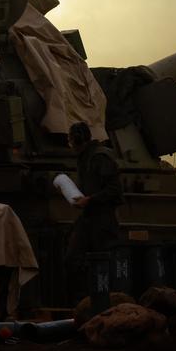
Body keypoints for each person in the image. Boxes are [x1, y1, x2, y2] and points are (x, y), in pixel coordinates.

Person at [66, 121, 123, 294]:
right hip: (89, 216)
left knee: (103, 262)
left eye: (70, 140)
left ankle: (104, 299)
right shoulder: (86, 157)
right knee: (74, 258)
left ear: (76, 140)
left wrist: (89, 200)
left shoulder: (99, 157)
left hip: (103, 218)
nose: (69, 145)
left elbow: (114, 190)